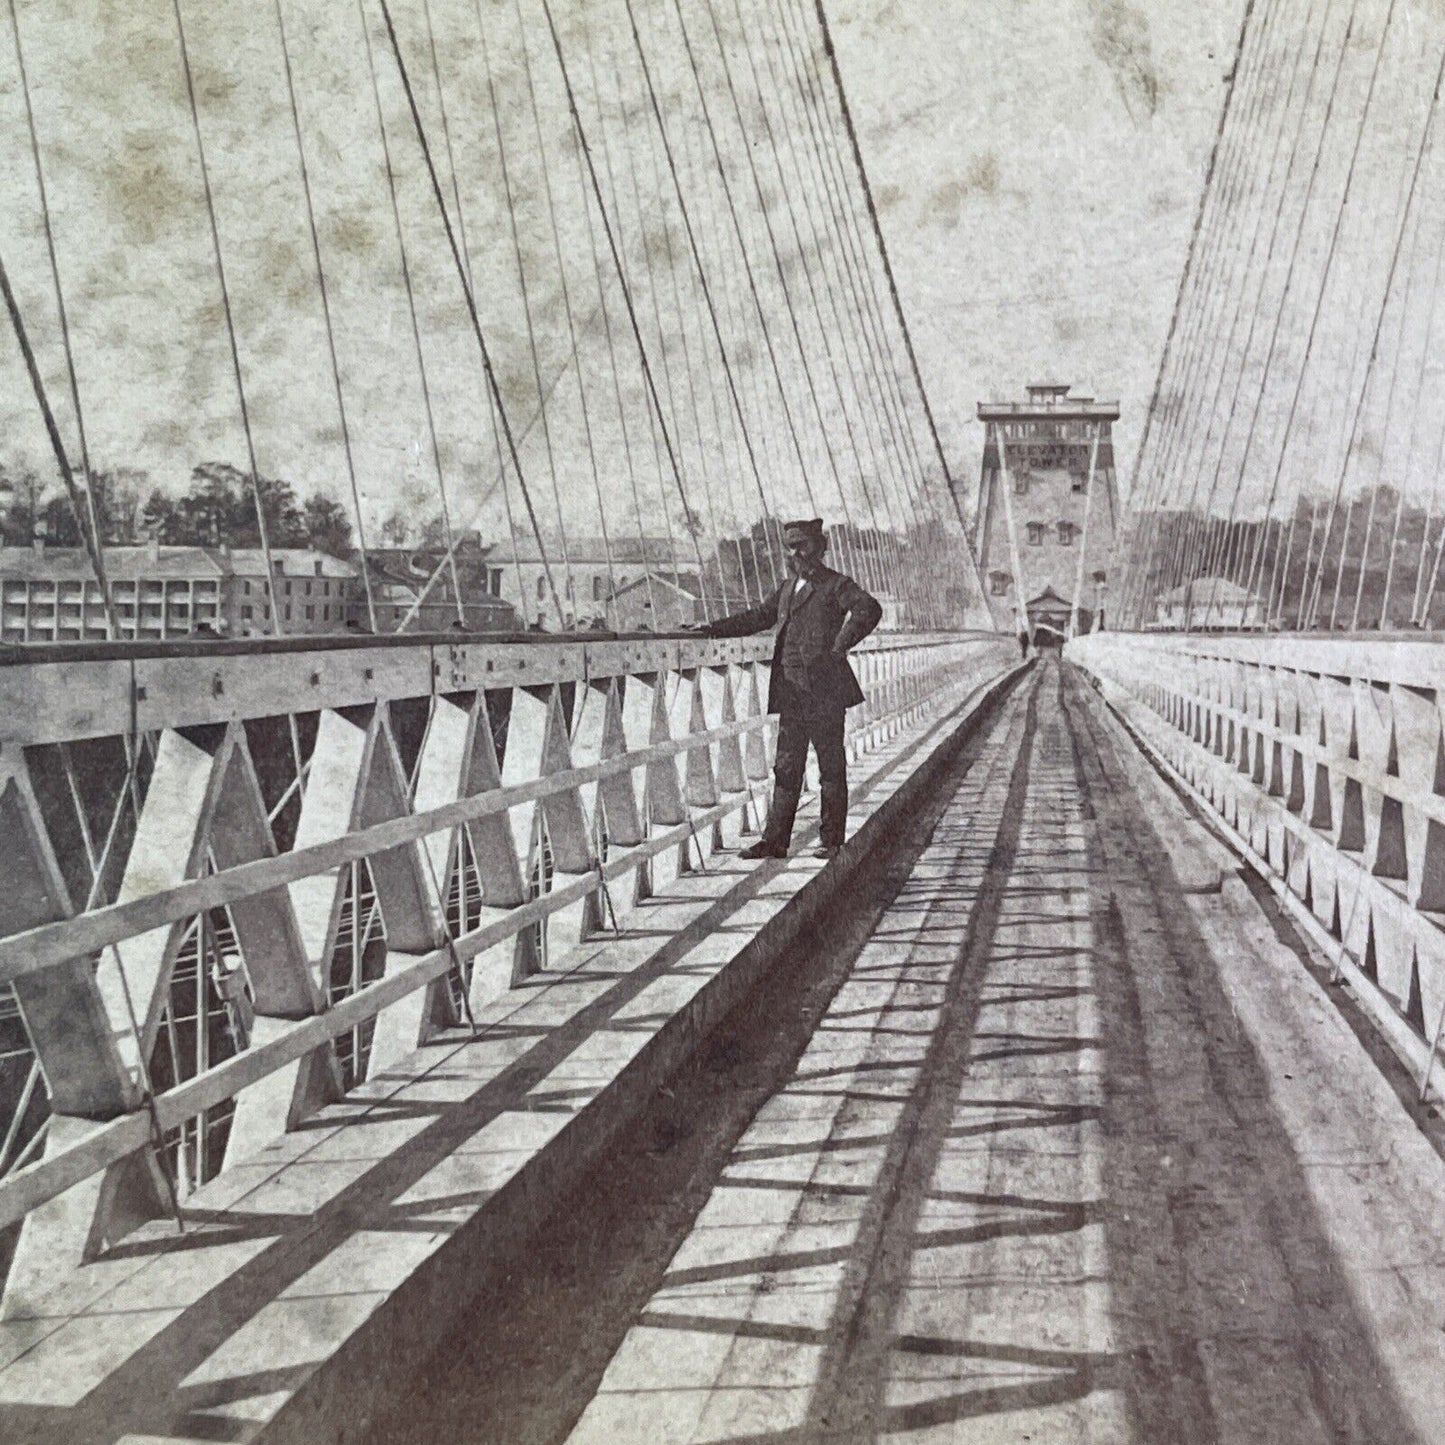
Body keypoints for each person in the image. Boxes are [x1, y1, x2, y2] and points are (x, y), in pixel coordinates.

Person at [700, 518, 882, 861]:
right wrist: (711, 630)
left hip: (825, 691)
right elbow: (757, 617)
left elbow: (869, 609)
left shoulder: (836, 585)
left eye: (803, 545)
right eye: (791, 547)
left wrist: (840, 645)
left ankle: (831, 840)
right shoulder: (786, 589)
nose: (796, 553)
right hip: (792, 693)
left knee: (830, 765)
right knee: (786, 766)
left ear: (820, 545)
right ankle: (775, 841)